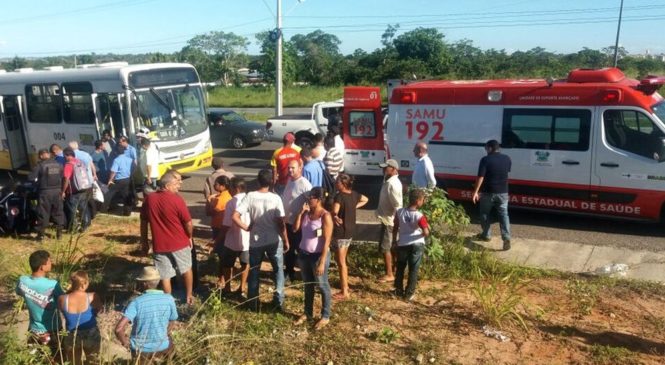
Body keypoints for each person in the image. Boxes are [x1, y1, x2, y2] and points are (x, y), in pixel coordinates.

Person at [233, 169, 289, 312]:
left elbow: (235, 216)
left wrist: (246, 228)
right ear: (272, 182)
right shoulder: (276, 198)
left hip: (256, 240)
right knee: (278, 270)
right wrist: (286, 239)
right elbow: (280, 222)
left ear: (258, 181)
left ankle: (253, 302)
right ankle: (279, 300)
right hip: (273, 239)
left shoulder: (250, 196)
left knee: (254, 271)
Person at [140, 170, 195, 305]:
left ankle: (167, 300)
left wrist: (144, 241)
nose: (179, 186)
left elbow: (143, 222)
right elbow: (188, 223)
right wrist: (189, 236)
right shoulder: (176, 199)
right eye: (176, 183)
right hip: (179, 242)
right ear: (167, 185)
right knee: (186, 269)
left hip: (159, 244)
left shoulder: (149, 199)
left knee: (165, 275)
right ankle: (189, 296)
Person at [115, 266, 178, 362]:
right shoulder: (169, 299)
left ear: (144, 283)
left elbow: (119, 329)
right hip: (163, 346)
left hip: (141, 349)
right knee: (172, 350)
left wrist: (126, 343)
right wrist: (164, 334)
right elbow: (172, 320)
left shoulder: (136, 302)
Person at [293, 187, 333, 330]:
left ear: (319, 199)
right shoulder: (307, 213)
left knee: (322, 285)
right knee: (308, 285)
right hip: (304, 254)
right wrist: (300, 212)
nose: (309, 200)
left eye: (311, 197)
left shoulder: (325, 216)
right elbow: (295, 229)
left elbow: (327, 240)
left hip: (317, 256)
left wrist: (322, 261)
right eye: (309, 197)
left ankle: (325, 315)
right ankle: (307, 313)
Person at [15, 250, 64, 353]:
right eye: (49, 262)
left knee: (34, 358)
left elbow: (19, 292)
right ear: (42, 267)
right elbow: (64, 300)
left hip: (34, 330)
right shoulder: (52, 285)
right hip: (53, 329)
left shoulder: (22, 281)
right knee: (56, 357)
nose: (52, 263)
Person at [331, 173, 368, 300]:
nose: (336, 183)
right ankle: (345, 286)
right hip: (350, 231)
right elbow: (366, 199)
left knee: (341, 262)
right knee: (342, 259)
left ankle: (344, 290)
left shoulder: (339, 196)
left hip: (341, 232)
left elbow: (334, 211)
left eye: (337, 181)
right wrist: (353, 207)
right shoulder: (355, 194)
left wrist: (334, 216)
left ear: (343, 184)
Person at [472, 140, 512, 251]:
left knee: (484, 213)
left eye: (486, 148)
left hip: (487, 193)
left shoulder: (485, 160)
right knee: (504, 215)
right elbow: (505, 172)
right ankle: (506, 238)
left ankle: (486, 235)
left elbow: (481, 177)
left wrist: (475, 192)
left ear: (490, 148)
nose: (485, 150)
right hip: (503, 192)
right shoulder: (507, 158)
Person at [392, 189, 430, 301]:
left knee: (400, 267)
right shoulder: (419, 215)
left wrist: (394, 241)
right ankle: (409, 294)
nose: (423, 202)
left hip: (403, 243)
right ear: (418, 201)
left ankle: (398, 290)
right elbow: (426, 232)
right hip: (417, 244)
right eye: (422, 200)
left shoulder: (399, 212)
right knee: (413, 269)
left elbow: (395, 227)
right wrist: (421, 234)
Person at [58, 271, 103, 365]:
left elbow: (61, 315)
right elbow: (100, 310)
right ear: (85, 283)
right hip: (90, 333)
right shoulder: (91, 297)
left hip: (71, 334)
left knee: (74, 362)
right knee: (92, 361)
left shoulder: (62, 298)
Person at [281, 159, 312, 283]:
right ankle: (289, 271)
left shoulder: (304, 184)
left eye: (293, 168)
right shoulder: (290, 181)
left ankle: (307, 275)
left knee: (300, 250)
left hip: (298, 224)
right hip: (288, 223)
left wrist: (303, 216)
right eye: (289, 168)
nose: (290, 170)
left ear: (300, 168)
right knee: (288, 249)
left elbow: (311, 203)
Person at [217, 177, 250, 295]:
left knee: (227, 264)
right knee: (245, 263)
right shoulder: (250, 200)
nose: (228, 191)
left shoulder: (231, 203)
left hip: (231, 240)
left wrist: (218, 239)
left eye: (230, 188)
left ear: (236, 189)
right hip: (247, 240)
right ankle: (242, 287)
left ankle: (227, 288)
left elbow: (226, 225)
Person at [375, 159, 403, 283]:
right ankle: (394, 270)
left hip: (389, 221)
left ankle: (389, 274)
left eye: (386, 167)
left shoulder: (393, 184)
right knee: (390, 246)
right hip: (387, 219)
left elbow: (397, 206)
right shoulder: (389, 181)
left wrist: (397, 222)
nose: (383, 169)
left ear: (393, 169)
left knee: (385, 247)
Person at [28, 148, 65, 240]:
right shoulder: (59, 164)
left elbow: (31, 178)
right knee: (58, 212)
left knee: (43, 213)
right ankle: (59, 234)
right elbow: (62, 177)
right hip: (57, 191)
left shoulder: (40, 165)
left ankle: (41, 235)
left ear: (40, 156)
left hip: (45, 192)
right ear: (49, 154)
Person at [62, 147, 92, 232]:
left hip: (74, 191)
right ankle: (86, 224)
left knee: (72, 210)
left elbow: (66, 179)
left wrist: (63, 191)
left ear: (67, 156)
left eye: (64, 156)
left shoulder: (69, 165)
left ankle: (73, 228)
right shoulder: (79, 162)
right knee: (83, 207)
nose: (64, 158)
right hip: (84, 188)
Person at [101, 145, 134, 216]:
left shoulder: (116, 160)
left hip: (118, 180)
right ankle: (127, 212)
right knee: (126, 195)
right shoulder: (129, 159)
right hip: (127, 179)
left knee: (108, 194)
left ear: (116, 152)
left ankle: (103, 210)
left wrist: (110, 180)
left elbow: (113, 171)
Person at [207, 175, 232, 243]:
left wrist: (208, 200)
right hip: (226, 226)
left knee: (218, 246)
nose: (214, 185)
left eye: (216, 184)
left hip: (218, 226)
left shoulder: (219, 199)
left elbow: (209, 213)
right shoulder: (229, 195)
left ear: (223, 186)